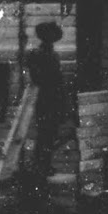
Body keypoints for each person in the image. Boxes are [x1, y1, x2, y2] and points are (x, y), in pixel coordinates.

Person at [25, 21, 66, 178]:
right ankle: (40, 166)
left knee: (48, 134)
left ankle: (43, 165)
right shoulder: (38, 55)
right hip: (45, 98)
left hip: (53, 98)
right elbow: (39, 78)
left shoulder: (51, 55)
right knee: (45, 134)